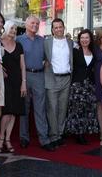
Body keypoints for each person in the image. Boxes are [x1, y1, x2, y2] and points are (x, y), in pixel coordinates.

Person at [16, 15, 54, 151]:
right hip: (24, 76)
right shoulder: (18, 40)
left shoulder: (42, 41)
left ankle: (44, 139)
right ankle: (24, 138)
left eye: (37, 24)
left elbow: (47, 59)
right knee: (24, 109)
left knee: (40, 109)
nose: (35, 26)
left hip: (39, 76)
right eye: (32, 23)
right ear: (26, 24)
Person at [0, 20, 26, 153]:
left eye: (15, 29)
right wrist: (0, 68)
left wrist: (24, 82)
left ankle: (7, 139)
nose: (13, 31)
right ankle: (1, 137)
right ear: (6, 28)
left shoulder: (19, 45)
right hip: (3, 82)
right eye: (11, 29)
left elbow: (22, 65)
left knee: (14, 112)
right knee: (7, 111)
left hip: (17, 81)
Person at [64, 29, 99, 145]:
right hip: (77, 84)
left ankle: (83, 131)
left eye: (87, 38)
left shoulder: (93, 52)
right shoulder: (74, 51)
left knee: (87, 109)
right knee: (76, 109)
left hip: (89, 85)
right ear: (79, 39)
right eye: (82, 38)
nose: (84, 40)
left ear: (90, 39)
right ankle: (77, 133)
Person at [44, 18, 73, 147]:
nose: (58, 29)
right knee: (52, 108)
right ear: (52, 30)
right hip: (52, 78)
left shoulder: (70, 42)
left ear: (64, 27)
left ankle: (60, 133)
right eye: (55, 27)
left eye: (60, 27)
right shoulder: (47, 42)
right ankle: (53, 135)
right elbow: (42, 58)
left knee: (63, 107)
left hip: (66, 78)